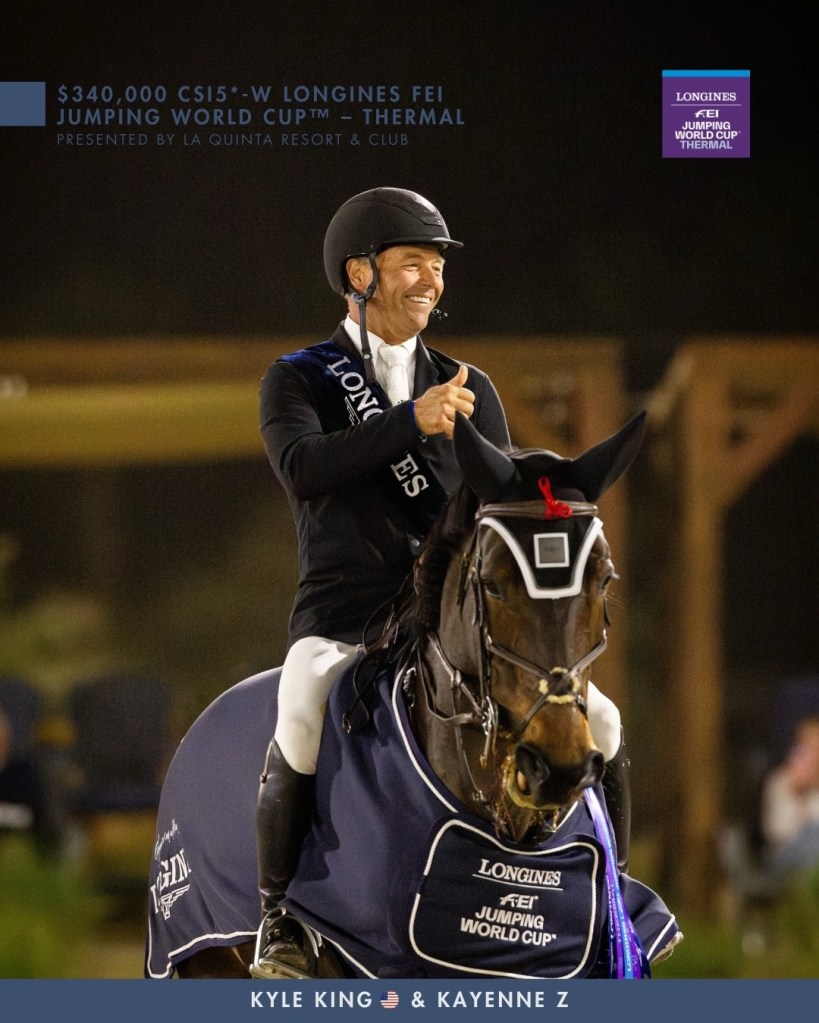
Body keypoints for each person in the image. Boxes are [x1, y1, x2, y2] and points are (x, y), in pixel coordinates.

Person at [251, 186, 629, 979]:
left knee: (602, 718)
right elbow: (302, 468)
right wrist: (408, 422)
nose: (431, 279)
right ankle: (278, 916)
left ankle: (612, 903)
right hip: (346, 609)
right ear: (359, 273)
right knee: (302, 704)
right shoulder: (298, 378)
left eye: (437, 266)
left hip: (450, 612)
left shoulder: (469, 385)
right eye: (412, 263)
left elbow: (499, 502)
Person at [759, 714, 819, 877]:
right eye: (806, 746)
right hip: (783, 857)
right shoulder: (780, 781)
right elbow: (776, 832)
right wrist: (799, 795)